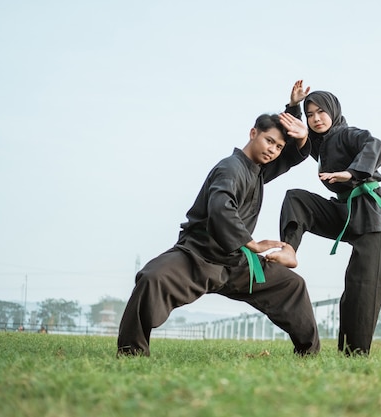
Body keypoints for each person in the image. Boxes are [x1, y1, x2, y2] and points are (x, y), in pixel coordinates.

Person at [117, 110, 320, 357]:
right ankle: (131, 353)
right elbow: (220, 207)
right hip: (199, 257)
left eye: (278, 147)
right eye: (269, 141)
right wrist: (251, 243)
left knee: (292, 285)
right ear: (253, 133)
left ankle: (308, 355)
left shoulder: (258, 170)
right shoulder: (230, 168)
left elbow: (289, 156)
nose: (272, 150)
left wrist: (294, 113)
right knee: (151, 278)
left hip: (237, 263)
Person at [267, 80, 381, 356]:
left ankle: (353, 355)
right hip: (344, 211)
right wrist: (293, 107)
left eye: (321, 112)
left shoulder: (347, 134)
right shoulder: (320, 146)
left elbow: (375, 144)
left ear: (333, 112)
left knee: (359, 290)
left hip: (373, 215)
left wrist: (352, 173)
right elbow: (297, 136)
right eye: (310, 115)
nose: (315, 119)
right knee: (296, 198)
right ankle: (289, 249)